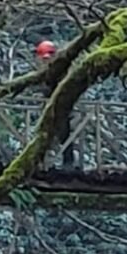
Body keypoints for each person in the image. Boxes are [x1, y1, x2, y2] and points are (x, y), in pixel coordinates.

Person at [33, 39, 78, 170]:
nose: (45, 60)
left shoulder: (62, 68)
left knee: (64, 134)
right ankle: (39, 162)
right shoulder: (45, 69)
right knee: (44, 135)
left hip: (61, 106)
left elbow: (62, 87)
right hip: (49, 106)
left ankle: (67, 163)